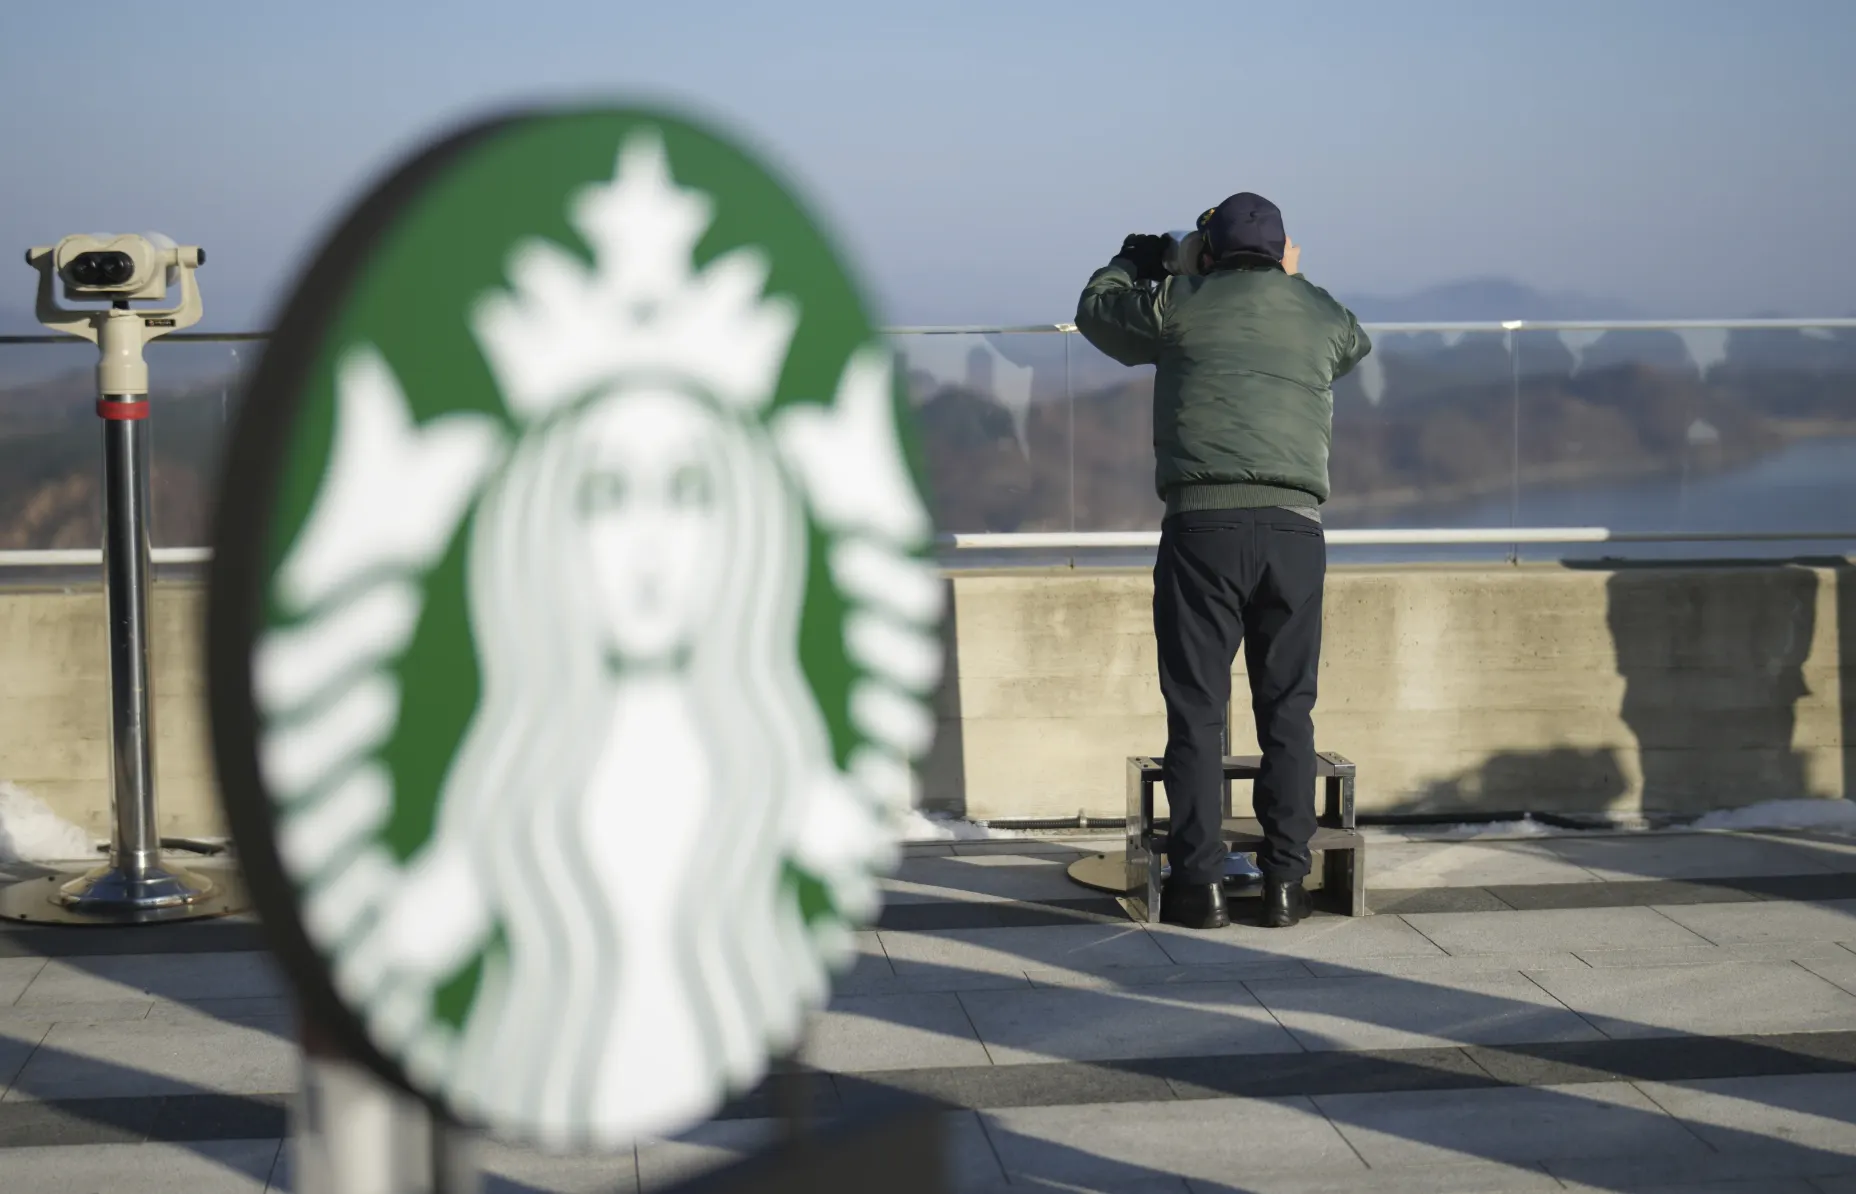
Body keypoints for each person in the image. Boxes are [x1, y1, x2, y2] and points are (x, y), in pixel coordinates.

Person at [1074, 193, 1371, 930]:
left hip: (1202, 529)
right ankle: (1284, 888)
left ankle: (1198, 887)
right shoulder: (1317, 313)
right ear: (1280, 254)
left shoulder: (1178, 302)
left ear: (1209, 254)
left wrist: (1136, 261)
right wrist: (1291, 282)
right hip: (1295, 535)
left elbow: (1096, 311)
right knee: (1288, 712)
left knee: (1198, 713)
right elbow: (1353, 343)